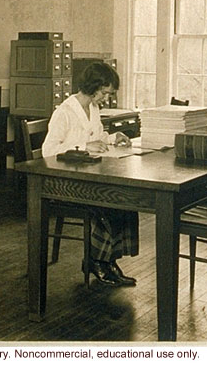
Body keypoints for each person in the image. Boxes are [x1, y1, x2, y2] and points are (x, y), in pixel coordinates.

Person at [41, 62, 138, 287]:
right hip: (64, 182)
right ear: (93, 86)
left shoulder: (93, 109)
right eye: (104, 92)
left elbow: (98, 135)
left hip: (86, 176)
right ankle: (96, 261)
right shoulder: (64, 112)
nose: (105, 98)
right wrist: (84, 145)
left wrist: (114, 137)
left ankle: (108, 261)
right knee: (107, 200)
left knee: (124, 199)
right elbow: (48, 151)